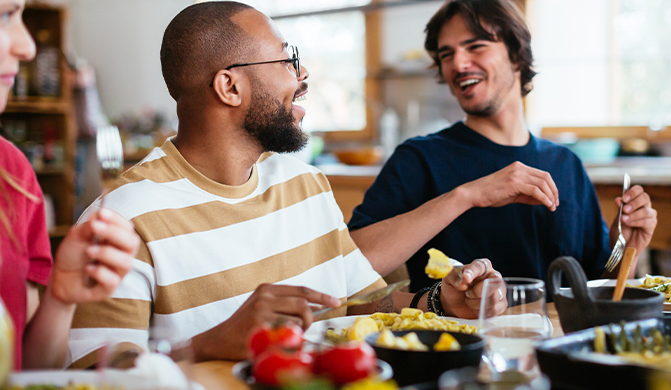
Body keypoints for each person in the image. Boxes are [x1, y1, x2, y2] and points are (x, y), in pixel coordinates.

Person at [67, 1, 506, 369]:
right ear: (229, 86)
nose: (303, 74)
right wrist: (205, 345)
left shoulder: (305, 182)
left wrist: (439, 303)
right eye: (287, 59)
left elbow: (356, 306)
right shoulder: (123, 218)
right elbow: (91, 374)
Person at [348, 0, 658, 292]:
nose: (458, 63)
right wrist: (467, 196)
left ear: (516, 54)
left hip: (557, 343)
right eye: (446, 54)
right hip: (459, 344)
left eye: (475, 46)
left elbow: (596, 286)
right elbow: (352, 263)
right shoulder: (418, 159)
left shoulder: (567, 164)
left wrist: (625, 249)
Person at [0, 0, 140, 370]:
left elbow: (28, 371)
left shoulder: (14, 174)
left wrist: (61, 298)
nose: (27, 46)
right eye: (3, 15)